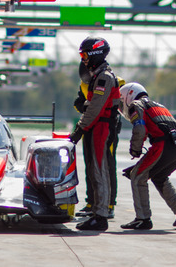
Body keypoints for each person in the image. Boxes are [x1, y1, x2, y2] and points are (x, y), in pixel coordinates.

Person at [119, 82, 176, 230]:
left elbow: (139, 128)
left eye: (121, 102)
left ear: (128, 96)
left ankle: (143, 219)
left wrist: (135, 150)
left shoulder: (135, 105)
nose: (121, 107)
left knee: (137, 176)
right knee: (159, 176)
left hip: (164, 144)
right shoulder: (158, 105)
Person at [69, 37, 121, 232]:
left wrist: (79, 129)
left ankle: (101, 216)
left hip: (101, 128)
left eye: (84, 55)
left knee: (99, 171)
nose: (83, 59)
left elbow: (95, 108)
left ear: (94, 54)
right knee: (94, 170)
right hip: (96, 127)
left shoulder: (104, 77)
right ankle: (97, 212)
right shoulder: (98, 75)